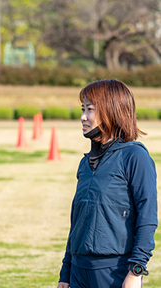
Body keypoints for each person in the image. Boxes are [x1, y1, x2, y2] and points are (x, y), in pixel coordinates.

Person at [57, 79, 158, 288]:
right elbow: (77, 223)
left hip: (114, 272)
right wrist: (65, 273)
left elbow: (147, 218)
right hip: (78, 270)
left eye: (90, 110)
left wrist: (136, 270)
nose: (83, 117)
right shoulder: (85, 163)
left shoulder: (135, 157)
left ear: (112, 111)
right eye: (83, 109)